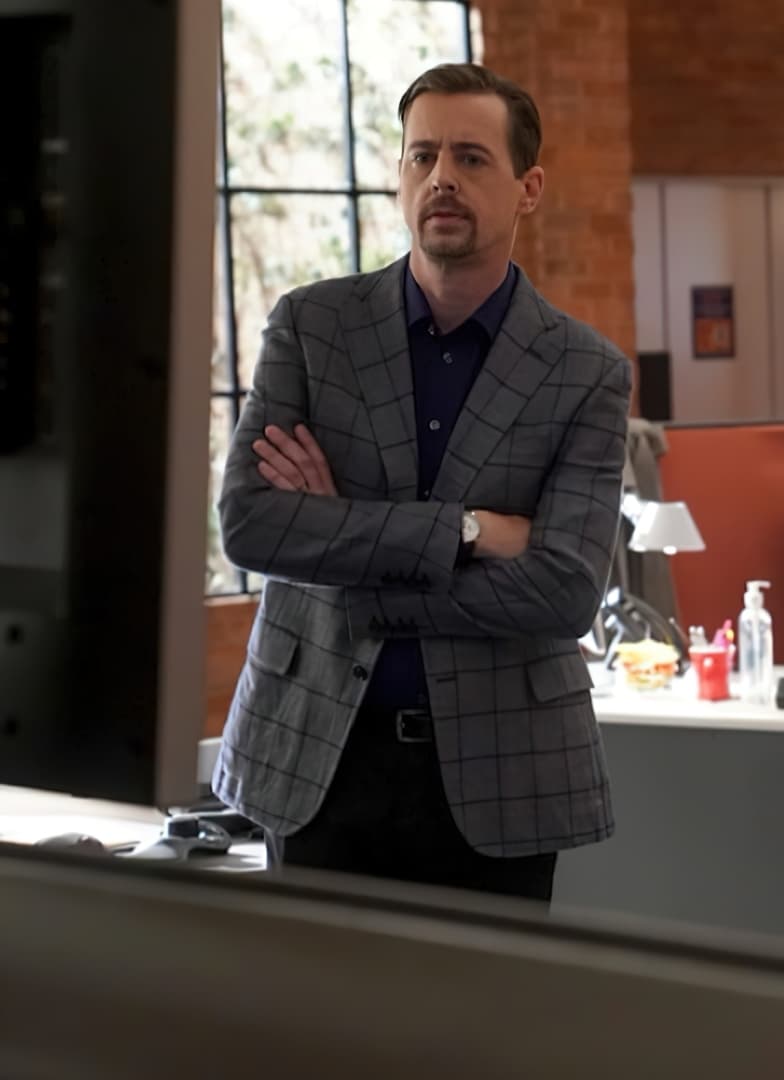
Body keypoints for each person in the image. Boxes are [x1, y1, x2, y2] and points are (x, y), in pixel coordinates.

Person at [215, 63, 631, 903]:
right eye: (422, 156)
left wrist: (346, 546)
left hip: (504, 775)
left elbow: (564, 591)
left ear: (528, 188)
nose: (442, 177)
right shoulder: (312, 327)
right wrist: (467, 531)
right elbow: (252, 525)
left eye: (472, 158)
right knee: (306, 994)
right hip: (315, 756)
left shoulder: (587, 371)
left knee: (486, 998)